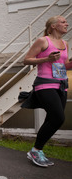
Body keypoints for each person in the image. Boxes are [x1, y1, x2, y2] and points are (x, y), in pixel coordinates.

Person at [23, 16, 72, 167]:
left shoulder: (65, 43)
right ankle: (35, 150)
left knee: (52, 118)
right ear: (53, 26)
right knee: (58, 117)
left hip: (61, 84)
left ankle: (38, 150)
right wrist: (45, 59)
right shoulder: (43, 41)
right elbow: (26, 59)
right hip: (45, 84)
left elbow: (63, 65)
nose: (67, 24)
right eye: (63, 22)